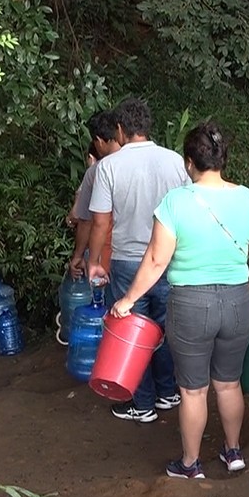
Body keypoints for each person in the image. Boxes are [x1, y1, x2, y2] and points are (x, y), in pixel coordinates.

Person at [110, 122, 249, 479]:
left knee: (193, 391)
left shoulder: (176, 202)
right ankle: (233, 452)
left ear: (189, 162)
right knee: (229, 383)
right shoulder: (247, 198)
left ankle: (191, 464)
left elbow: (155, 260)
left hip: (192, 304)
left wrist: (128, 300)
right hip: (237, 301)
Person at [87, 97, 190, 423]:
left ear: (120, 129)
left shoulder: (108, 167)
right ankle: (168, 392)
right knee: (164, 328)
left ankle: (142, 403)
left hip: (129, 262)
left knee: (132, 331)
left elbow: (101, 221)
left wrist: (94, 261)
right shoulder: (174, 161)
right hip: (169, 260)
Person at [68, 110, 120, 280]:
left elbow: (88, 220)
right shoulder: (155, 164)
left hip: (109, 259)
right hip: (154, 260)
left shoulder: (98, 170)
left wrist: (78, 256)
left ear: (98, 141)